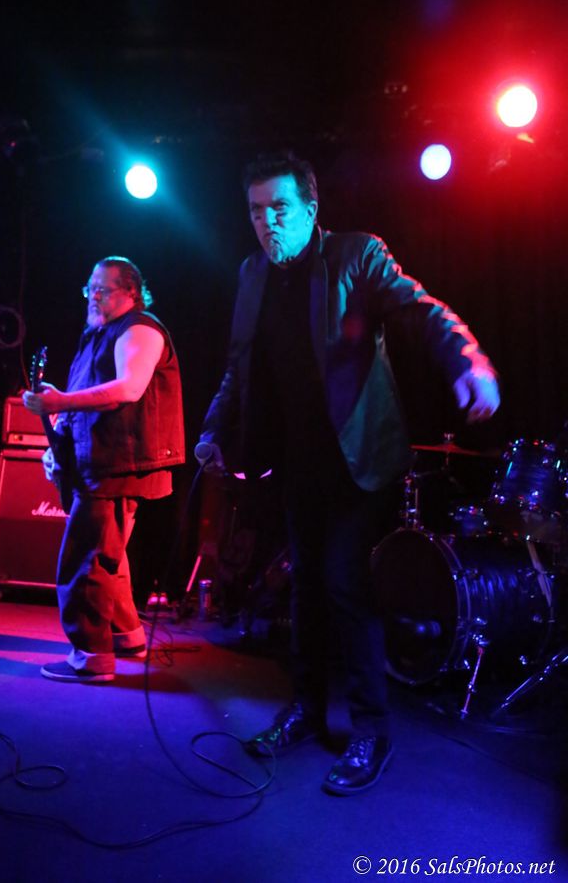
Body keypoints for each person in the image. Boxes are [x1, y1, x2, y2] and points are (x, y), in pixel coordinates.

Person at [194, 152, 500, 796]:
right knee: (305, 588)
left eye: (280, 208)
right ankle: (307, 709)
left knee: (344, 583)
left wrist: (466, 357)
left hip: (361, 460)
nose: (268, 222)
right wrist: (214, 431)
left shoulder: (356, 255)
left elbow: (421, 309)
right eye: (256, 211)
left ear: (311, 209)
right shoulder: (252, 274)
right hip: (297, 463)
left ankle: (371, 729)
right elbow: (238, 367)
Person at [23, 256, 185, 683]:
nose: (93, 296)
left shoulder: (140, 329)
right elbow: (83, 398)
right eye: (89, 289)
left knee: (87, 560)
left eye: (103, 289)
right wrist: (58, 441)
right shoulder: (98, 334)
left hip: (118, 464)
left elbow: (128, 388)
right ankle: (127, 635)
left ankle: (92, 657)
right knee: (109, 556)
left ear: (131, 291)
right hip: (100, 461)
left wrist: (60, 402)